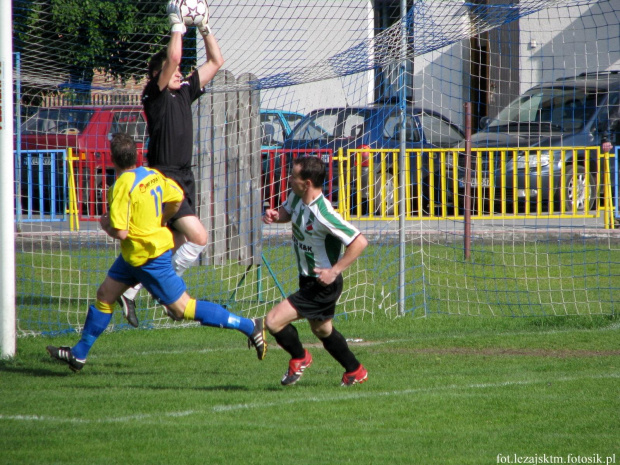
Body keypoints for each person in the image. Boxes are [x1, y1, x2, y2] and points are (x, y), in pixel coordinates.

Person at [46, 133, 266, 372]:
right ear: (137, 155)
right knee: (105, 294)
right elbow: (177, 197)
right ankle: (79, 354)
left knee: (182, 308)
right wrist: (163, 217)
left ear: (113, 160)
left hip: (149, 258)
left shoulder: (120, 185)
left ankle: (249, 325)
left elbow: (120, 232)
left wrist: (105, 224)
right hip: (134, 256)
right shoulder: (153, 175)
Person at [117, 0, 224, 327]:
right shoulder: (155, 95)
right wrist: (178, 23)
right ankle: (167, 291)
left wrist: (204, 27)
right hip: (163, 180)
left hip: (184, 178)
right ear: (157, 75)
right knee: (199, 237)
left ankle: (131, 289)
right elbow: (174, 56)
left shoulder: (186, 91)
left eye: (179, 70)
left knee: (170, 240)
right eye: (171, 69)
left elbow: (216, 61)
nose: (179, 70)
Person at [262, 156, 369, 386]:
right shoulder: (297, 197)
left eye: (294, 176)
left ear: (307, 182)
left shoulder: (325, 214)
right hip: (308, 279)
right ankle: (355, 370)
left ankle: (300, 358)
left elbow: (360, 242)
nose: (289, 179)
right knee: (322, 330)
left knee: (272, 321)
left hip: (322, 284)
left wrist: (334, 270)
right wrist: (276, 216)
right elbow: (288, 213)